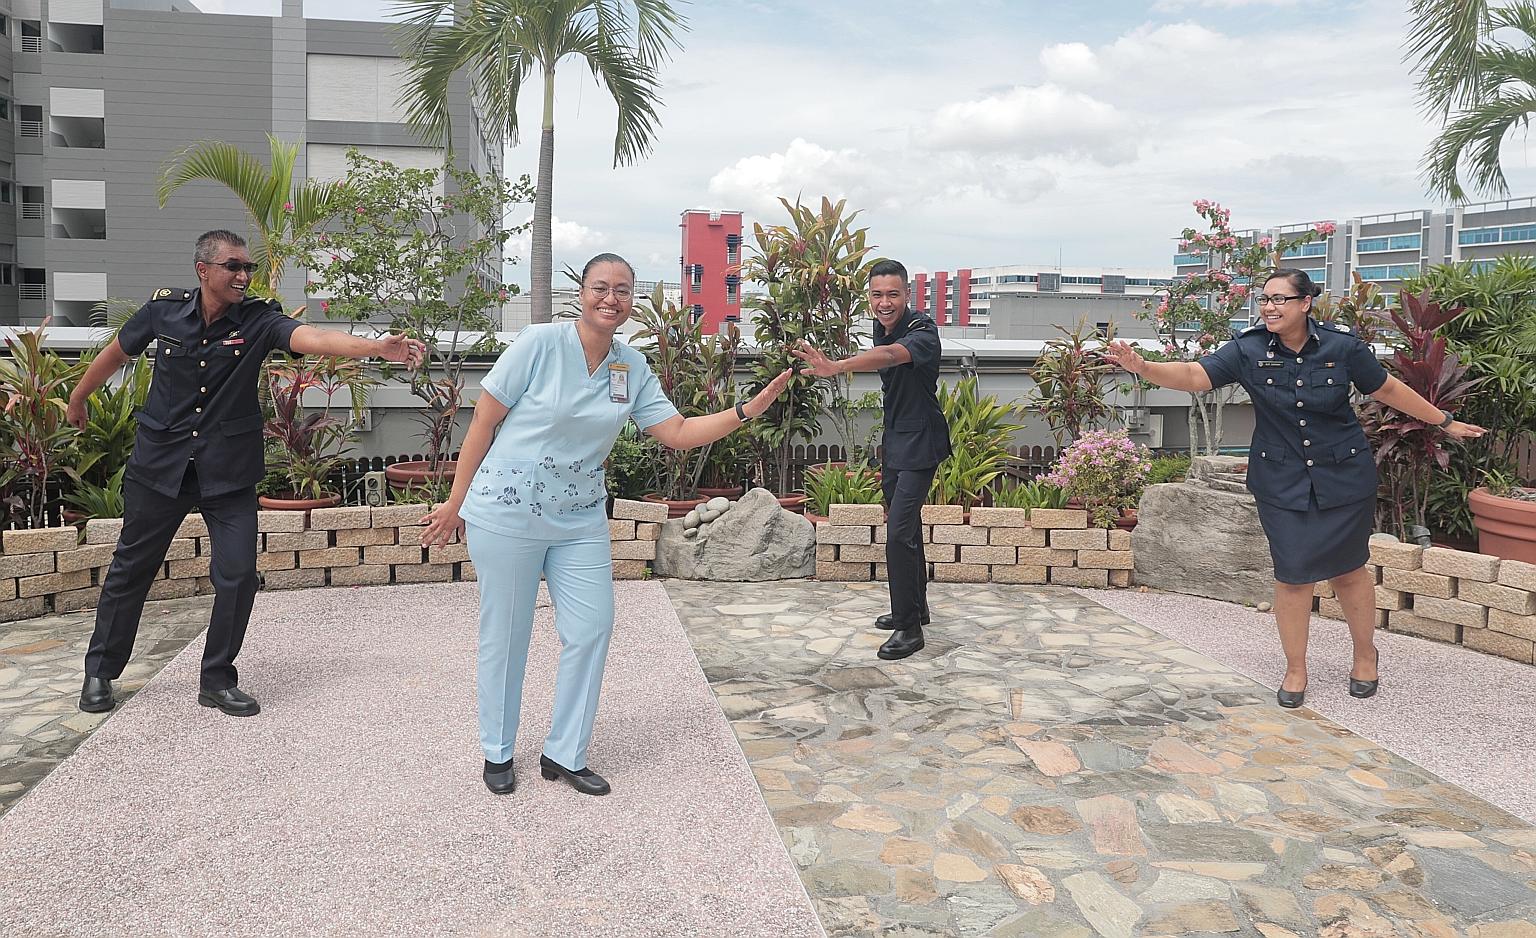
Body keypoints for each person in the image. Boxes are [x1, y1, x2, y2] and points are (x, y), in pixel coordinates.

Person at [420, 252, 792, 797]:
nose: (610, 298)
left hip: (579, 520)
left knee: (591, 629)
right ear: (583, 293)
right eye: (600, 287)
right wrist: (456, 502)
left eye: (622, 289)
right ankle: (497, 750)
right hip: (508, 512)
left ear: (633, 300)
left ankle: (564, 753)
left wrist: (746, 412)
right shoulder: (539, 345)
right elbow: (483, 421)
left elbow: (677, 430)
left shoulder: (630, 367)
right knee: (506, 633)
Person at [67, 230, 426, 718]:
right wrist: (79, 395)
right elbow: (117, 352)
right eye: (232, 266)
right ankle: (101, 672)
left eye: (247, 268)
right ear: (203, 271)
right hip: (161, 466)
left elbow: (314, 337)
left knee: (237, 577)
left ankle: (216, 678)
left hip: (227, 473)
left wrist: (375, 348)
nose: (242, 275)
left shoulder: (258, 319)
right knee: (131, 571)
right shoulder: (163, 310)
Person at [1102, 268, 1485, 708]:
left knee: (1348, 570)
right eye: (1265, 299)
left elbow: (1388, 389)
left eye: (1280, 298)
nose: (1269, 306)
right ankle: (1295, 668)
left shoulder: (1344, 349)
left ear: (1305, 303)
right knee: (1292, 575)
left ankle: (1365, 655)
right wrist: (1143, 367)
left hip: (1344, 476)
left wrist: (1445, 422)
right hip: (1281, 481)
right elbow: (1194, 375)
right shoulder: (1247, 349)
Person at [792, 258, 950, 662]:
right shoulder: (883, 325)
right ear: (869, 297)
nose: (885, 302)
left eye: (893, 294)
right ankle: (917, 608)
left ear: (907, 295)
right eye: (877, 295)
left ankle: (909, 628)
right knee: (907, 526)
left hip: (922, 442)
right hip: (896, 440)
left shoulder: (922, 332)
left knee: (898, 533)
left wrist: (838, 366)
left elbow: (891, 357)